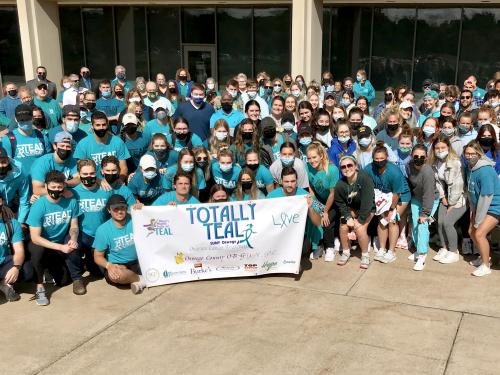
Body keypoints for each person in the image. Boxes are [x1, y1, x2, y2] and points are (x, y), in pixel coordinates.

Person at [27, 170, 83, 306]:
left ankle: (71, 276)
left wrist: (73, 239)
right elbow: (35, 237)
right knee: (36, 250)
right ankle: (40, 287)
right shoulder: (39, 205)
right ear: (46, 186)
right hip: (43, 244)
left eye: (59, 187)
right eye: (53, 187)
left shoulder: (71, 201)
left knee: (63, 281)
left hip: (59, 243)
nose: (56, 190)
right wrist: (60, 247)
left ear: (64, 186)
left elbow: (74, 225)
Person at [365, 142, 411, 264]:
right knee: (382, 221)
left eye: (382, 158)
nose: (379, 161)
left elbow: (397, 194)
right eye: (376, 159)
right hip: (383, 195)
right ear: (373, 159)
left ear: (387, 158)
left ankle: (391, 251)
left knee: (392, 220)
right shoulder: (369, 168)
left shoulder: (394, 172)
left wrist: (391, 210)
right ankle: (382, 249)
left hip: (400, 196)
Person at [93, 194, 146, 294]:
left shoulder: (136, 218)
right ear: (109, 210)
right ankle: (144, 280)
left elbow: (154, 218)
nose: (120, 211)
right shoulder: (102, 230)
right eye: (115, 209)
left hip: (139, 261)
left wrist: (144, 209)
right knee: (117, 276)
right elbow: (97, 256)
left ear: (126, 208)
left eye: (122, 208)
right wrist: (109, 266)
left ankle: (140, 281)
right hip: (119, 265)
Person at [428, 136, 467, 265]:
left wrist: (452, 203)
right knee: (440, 222)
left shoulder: (455, 162)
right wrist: (443, 197)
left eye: (443, 147)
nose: (440, 150)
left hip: (459, 198)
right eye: (437, 148)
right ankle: (444, 248)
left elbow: (458, 185)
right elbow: (438, 183)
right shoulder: (434, 162)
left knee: (448, 223)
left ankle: (453, 251)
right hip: (445, 197)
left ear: (448, 148)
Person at [267, 167, 322, 255]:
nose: (290, 184)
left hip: (299, 237)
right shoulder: (272, 196)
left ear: (297, 181)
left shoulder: (305, 195)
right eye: (286, 181)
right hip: (279, 235)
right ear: (281, 181)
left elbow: (318, 222)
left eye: (293, 181)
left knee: (301, 251)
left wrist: (310, 208)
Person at [464, 141, 500, 277]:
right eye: (467, 153)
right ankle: (483, 256)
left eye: (472, 153)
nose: (469, 156)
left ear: (479, 154)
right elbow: (473, 193)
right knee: (471, 231)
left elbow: (486, 196)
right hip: (480, 206)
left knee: (479, 233)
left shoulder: (485, 170)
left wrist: (478, 219)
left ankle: (486, 265)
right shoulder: (470, 167)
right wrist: (473, 212)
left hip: (494, 206)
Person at [71, 159, 110, 276]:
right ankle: (77, 275)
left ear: (96, 173)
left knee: (99, 273)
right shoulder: (73, 193)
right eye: (85, 174)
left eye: (92, 174)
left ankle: (88, 262)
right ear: (78, 174)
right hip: (83, 235)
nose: (89, 177)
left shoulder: (105, 189)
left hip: (100, 235)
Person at [334, 155, 374, 268]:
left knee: (360, 229)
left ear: (355, 166)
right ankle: (346, 251)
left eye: (349, 165)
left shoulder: (365, 178)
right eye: (343, 167)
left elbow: (368, 202)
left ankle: (365, 254)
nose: (347, 168)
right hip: (351, 209)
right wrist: (347, 217)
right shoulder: (340, 184)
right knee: (343, 226)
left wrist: (359, 220)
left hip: (368, 208)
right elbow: (340, 203)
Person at [406, 144, 440, 271]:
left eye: (422, 156)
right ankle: (418, 248)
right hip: (416, 198)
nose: (418, 158)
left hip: (430, 199)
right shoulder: (408, 166)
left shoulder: (427, 172)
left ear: (426, 158)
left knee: (422, 224)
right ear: (411, 156)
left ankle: (422, 255)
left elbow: (429, 194)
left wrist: (425, 214)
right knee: (414, 223)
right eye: (416, 156)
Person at [306, 142, 340, 261]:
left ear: (321, 156)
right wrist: (314, 199)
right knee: (313, 217)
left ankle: (329, 247)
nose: (311, 160)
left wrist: (325, 211)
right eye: (309, 158)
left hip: (335, 201)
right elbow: (309, 184)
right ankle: (318, 245)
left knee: (327, 220)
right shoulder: (307, 166)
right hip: (319, 198)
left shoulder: (332, 169)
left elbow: (332, 193)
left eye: (314, 157)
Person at [74, 111, 130, 179]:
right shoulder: (83, 144)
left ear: (107, 124)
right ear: (92, 126)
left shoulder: (118, 142)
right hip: (92, 182)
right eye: (98, 125)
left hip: (114, 181)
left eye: (104, 125)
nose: (101, 128)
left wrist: (118, 182)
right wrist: (99, 182)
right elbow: (81, 171)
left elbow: (123, 168)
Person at [1, 103, 50, 175]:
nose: (24, 122)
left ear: (32, 118)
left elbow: (48, 161)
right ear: (16, 119)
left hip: (39, 181)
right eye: (21, 120)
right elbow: (6, 164)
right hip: (19, 182)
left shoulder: (42, 137)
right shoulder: (8, 139)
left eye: (27, 119)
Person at [31, 131, 79, 197]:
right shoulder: (43, 162)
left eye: (68, 146)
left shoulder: (72, 160)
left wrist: (65, 184)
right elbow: (37, 189)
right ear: (55, 146)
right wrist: (62, 191)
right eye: (62, 145)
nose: (65, 148)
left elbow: (78, 179)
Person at [0, 195, 29, 302]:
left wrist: (16, 267)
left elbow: (19, 250)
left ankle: (4, 283)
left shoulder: (12, 224)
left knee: (27, 270)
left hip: (3, 261)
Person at [0, 146, 30, 226]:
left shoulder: (19, 171)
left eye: (3, 162)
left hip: (12, 207)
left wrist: (21, 222)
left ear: (9, 160)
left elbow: (24, 199)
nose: (1, 166)